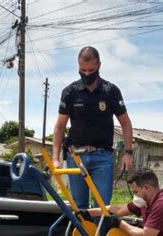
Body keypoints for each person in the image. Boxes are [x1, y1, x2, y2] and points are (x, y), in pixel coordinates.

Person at [52, 46, 133, 220]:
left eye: (91, 70)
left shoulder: (110, 91)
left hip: (102, 157)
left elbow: (126, 123)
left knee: (102, 207)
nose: (87, 74)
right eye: (83, 70)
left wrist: (128, 152)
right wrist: (56, 158)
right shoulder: (70, 92)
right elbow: (59, 127)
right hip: (76, 156)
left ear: (99, 66)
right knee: (79, 207)